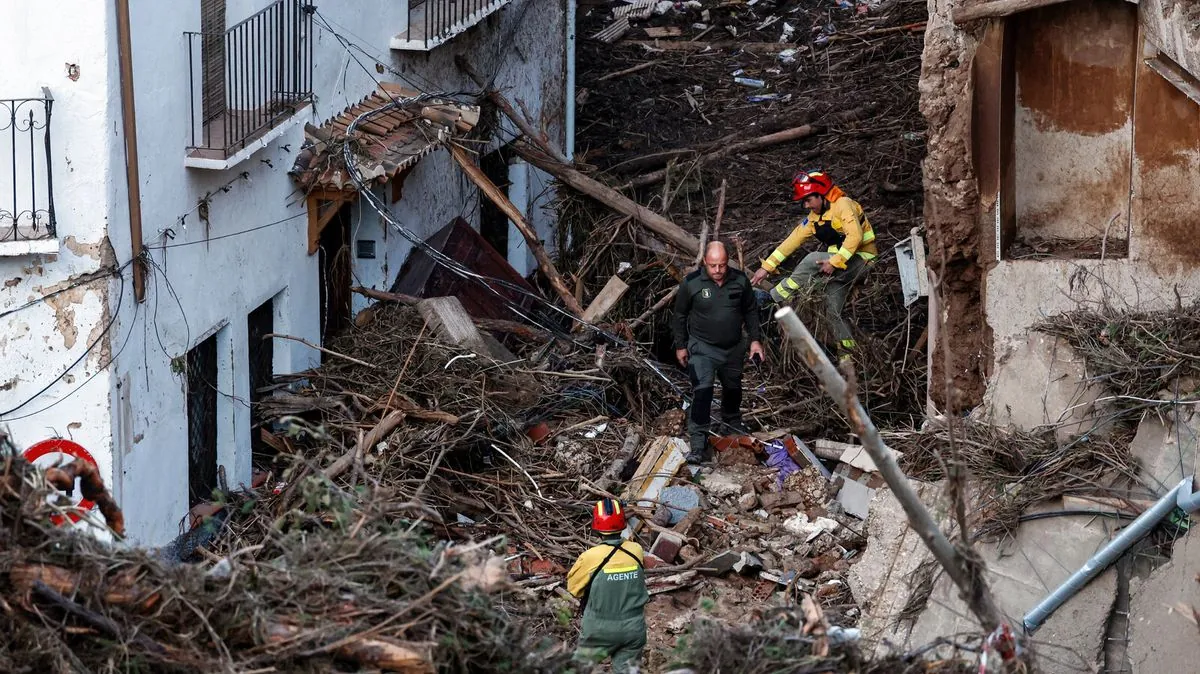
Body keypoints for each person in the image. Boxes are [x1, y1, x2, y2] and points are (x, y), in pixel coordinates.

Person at [750, 170, 877, 361]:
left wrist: (834, 262)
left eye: (808, 200)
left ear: (821, 194)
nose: (806, 205)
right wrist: (767, 267)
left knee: (811, 259)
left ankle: (773, 298)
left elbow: (856, 236)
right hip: (841, 264)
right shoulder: (814, 218)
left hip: (863, 259)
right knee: (832, 309)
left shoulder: (843, 205)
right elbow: (792, 241)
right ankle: (849, 356)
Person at [672, 241, 765, 464]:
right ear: (705, 262)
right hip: (702, 347)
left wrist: (755, 341)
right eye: (713, 265)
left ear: (727, 262)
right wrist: (680, 345)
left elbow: (751, 311)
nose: (717, 270)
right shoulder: (692, 283)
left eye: (722, 265)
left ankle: (732, 423)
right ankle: (698, 442)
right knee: (702, 390)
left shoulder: (740, 280)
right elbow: (679, 315)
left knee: (733, 388)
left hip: (733, 347)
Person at [567, 498, 648, 674]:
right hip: (633, 629)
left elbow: (574, 589)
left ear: (596, 525)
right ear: (623, 522)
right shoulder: (636, 551)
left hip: (599, 629)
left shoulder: (590, 557)